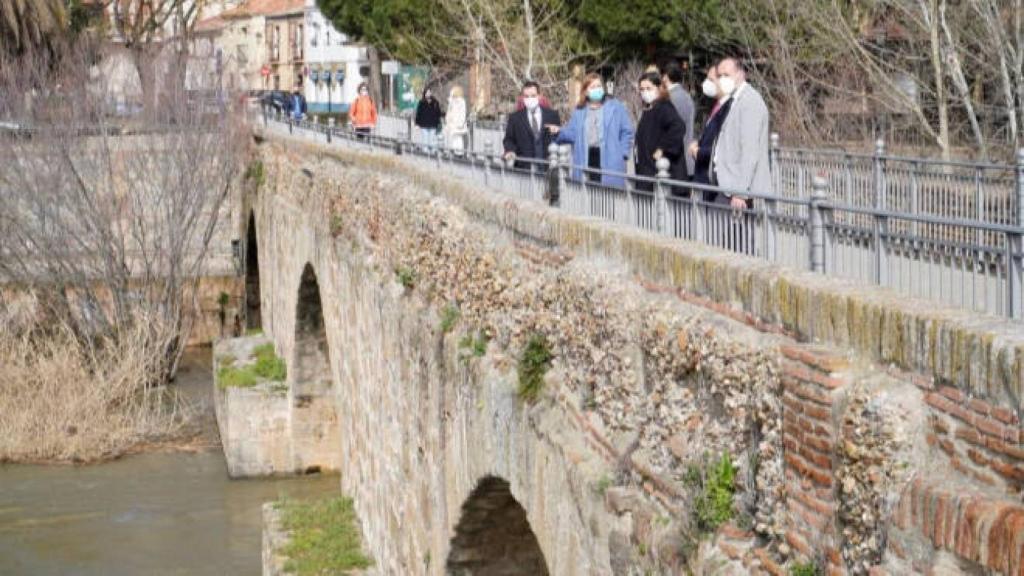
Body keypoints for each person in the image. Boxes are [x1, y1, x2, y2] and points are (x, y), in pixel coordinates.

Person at [711, 57, 771, 254]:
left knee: (739, 245)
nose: (722, 79)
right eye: (719, 75)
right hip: (727, 184)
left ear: (740, 74)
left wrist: (740, 192)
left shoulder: (750, 102)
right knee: (726, 242)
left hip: (737, 188)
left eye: (726, 75)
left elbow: (749, 151)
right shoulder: (733, 100)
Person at [553, 72, 634, 187]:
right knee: (588, 191)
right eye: (593, 87)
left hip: (610, 157)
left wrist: (623, 154)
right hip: (586, 156)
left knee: (609, 193)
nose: (597, 89)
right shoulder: (579, 111)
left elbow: (627, 131)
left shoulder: (615, 107)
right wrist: (559, 131)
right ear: (586, 91)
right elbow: (572, 133)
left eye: (599, 86)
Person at [633, 72, 686, 192]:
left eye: (648, 88)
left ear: (658, 88)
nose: (645, 92)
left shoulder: (664, 107)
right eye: (642, 89)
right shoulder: (649, 109)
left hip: (661, 171)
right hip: (647, 171)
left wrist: (662, 148)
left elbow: (678, 127)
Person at [689, 64, 733, 202]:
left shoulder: (729, 108)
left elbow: (723, 145)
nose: (707, 83)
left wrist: (699, 152)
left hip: (712, 180)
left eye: (711, 80)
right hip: (703, 177)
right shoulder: (716, 106)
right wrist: (698, 143)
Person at [503, 81, 560, 170]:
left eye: (533, 96)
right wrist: (510, 151)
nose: (530, 99)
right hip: (524, 168)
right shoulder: (515, 118)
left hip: (548, 167)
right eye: (526, 96)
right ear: (522, 98)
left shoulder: (552, 115)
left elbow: (558, 137)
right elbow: (509, 139)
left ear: (539, 96)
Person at [662, 63, 695, 179]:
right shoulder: (685, 95)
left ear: (665, 77)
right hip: (685, 157)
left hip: (677, 161)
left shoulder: (672, 97)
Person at [443, 85, 468, 154]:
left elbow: (463, 113)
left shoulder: (461, 101)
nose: (451, 94)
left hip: (458, 123)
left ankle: (459, 153)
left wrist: (460, 123)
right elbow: (449, 111)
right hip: (452, 123)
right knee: (453, 138)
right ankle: (454, 151)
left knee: (458, 138)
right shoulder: (452, 102)